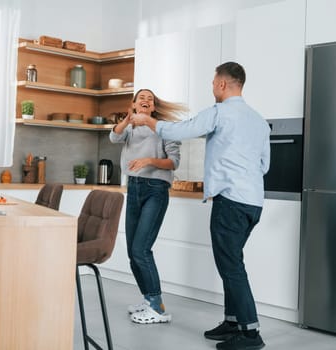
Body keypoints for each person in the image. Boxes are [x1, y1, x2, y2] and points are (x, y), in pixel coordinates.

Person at [131, 62, 269, 350]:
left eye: (213, 82)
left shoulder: (220, 112)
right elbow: (264, 165)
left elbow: (182, 130)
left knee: (231, 266)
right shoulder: (257, 119)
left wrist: (149, 122)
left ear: (222, 84)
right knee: (232, 261)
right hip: (253, 201)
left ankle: (250, 333)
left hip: (230, 200)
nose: (212, 87)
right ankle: (233, 321)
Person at [110, 89, 188, 324]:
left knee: (142, 249)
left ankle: (158, 307)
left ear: (153, 107)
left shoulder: (165, 128)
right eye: (140, 98)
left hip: (155, 189)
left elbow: (173, 162)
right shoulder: (130, 129)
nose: (145, 100)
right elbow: (113, 137)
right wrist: (127, 119)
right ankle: (148, 298)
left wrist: (149, 161)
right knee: (133, 252)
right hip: (133, 188)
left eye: (149, 99)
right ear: (133, 104)